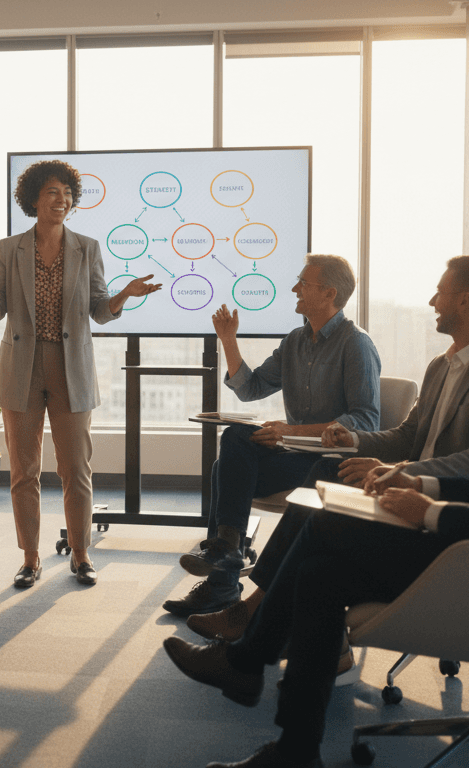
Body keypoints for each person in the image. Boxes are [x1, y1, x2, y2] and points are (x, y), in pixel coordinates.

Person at [162, 248, 469, 768]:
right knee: (321, 571)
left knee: (325, 525)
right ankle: (293, 745)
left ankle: (245, 655)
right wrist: (408, 480)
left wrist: (429, 510)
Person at [187, 256, 469, 652]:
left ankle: (253, 611)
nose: (432, 301)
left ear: (464, 301)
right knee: (242, 447)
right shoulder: (441, 365)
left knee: (323, 485)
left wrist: (400, 471)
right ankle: (240, 582)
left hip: (436, 501)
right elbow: (406, 435)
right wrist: (353, 443)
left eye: (440, 292)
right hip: (389, 478)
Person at [0, 159, 161, 588]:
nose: (63, 200)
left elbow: (99, 312)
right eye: (53, 192)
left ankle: (81, 553)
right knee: (24, 470)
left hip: (72, 366)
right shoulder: (9, 248)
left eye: (68, 193)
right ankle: (31, 558)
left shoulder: (87, 247)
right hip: (22, 367)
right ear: (33, 198)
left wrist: (124, 294)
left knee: (76, 468)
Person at [163, 254, 381, 619]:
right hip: (292, 455)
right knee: (235, 439)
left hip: (326, 464)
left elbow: (365, 420)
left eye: (303, 284)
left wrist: (291, 431)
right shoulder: (295, 340)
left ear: (329, 293)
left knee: (224, 471)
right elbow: (252, 389)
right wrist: (228, 340)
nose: (294, 289)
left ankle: (223, 581)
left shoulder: (356, 344)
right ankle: (228, 550)